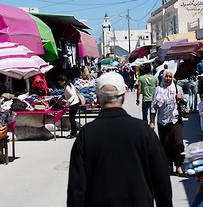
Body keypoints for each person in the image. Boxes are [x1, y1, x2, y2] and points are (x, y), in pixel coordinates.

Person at [67, 72, 173, 207]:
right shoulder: (143, 131)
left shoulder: (86, 134)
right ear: (123, 98)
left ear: (98, 100)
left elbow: (76, 189)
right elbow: (161, 180)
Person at [150, 69, 185, 176]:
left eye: (170, 76)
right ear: (163, 77)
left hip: (176, 119)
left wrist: (181, 98)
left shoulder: (177, 88)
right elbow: (154, 106)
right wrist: (151, 122)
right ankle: (169, 165)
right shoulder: (158, 90)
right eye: (166, 76)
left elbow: (185, 102)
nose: (168, 78)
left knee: (177, 142)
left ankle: (178, 166)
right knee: (165, 144)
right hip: (162, 120)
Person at [58, 75, 81, 139]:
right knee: (72, 119)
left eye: (60, 82)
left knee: (72, 119)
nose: (59, 84)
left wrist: (67, 101)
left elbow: (73, 95)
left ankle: (73, 133)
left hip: (74, 104)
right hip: (74, 103)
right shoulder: (69, 85)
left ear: (63, 81)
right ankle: (74, 132)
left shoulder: (67, 87)